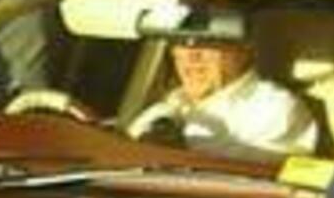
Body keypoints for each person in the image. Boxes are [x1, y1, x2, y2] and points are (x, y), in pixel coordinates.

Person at [125, 19, 319, 159]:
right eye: (181, 43)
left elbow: (269, 178)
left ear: (244, 49)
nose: (192, 55)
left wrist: (180, 149)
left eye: (208, 41)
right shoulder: (164, 109)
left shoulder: (275, 107)